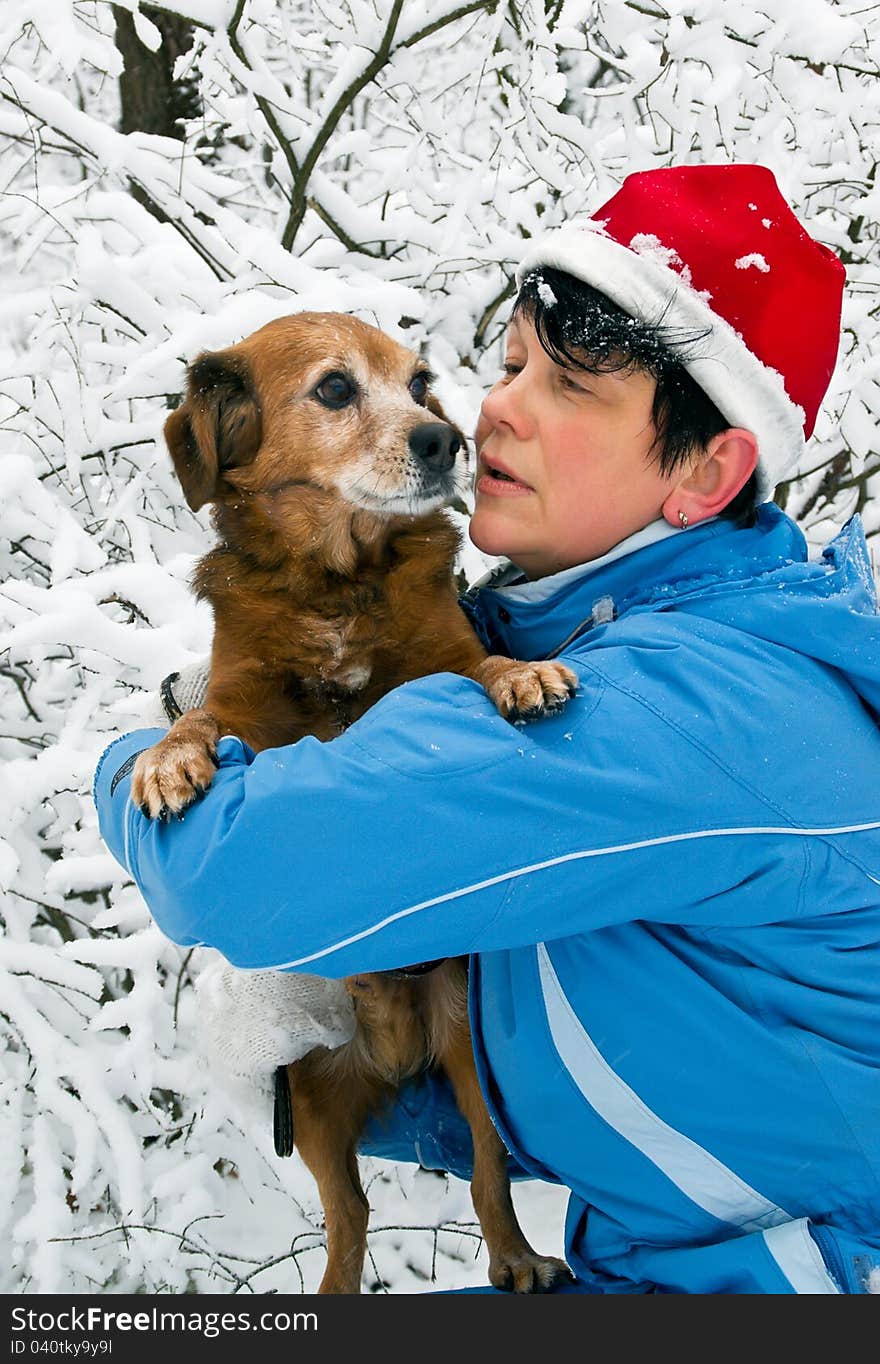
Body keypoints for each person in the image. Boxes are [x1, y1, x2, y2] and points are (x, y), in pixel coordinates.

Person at [93, 163, 880, 1295]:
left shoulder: (694, 705)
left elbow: (232, 869)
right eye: (507, 363)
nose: (490, 407)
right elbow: (641, 1050)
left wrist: (134, 755)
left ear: (709, 472)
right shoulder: (566, 641)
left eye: (565, 386)